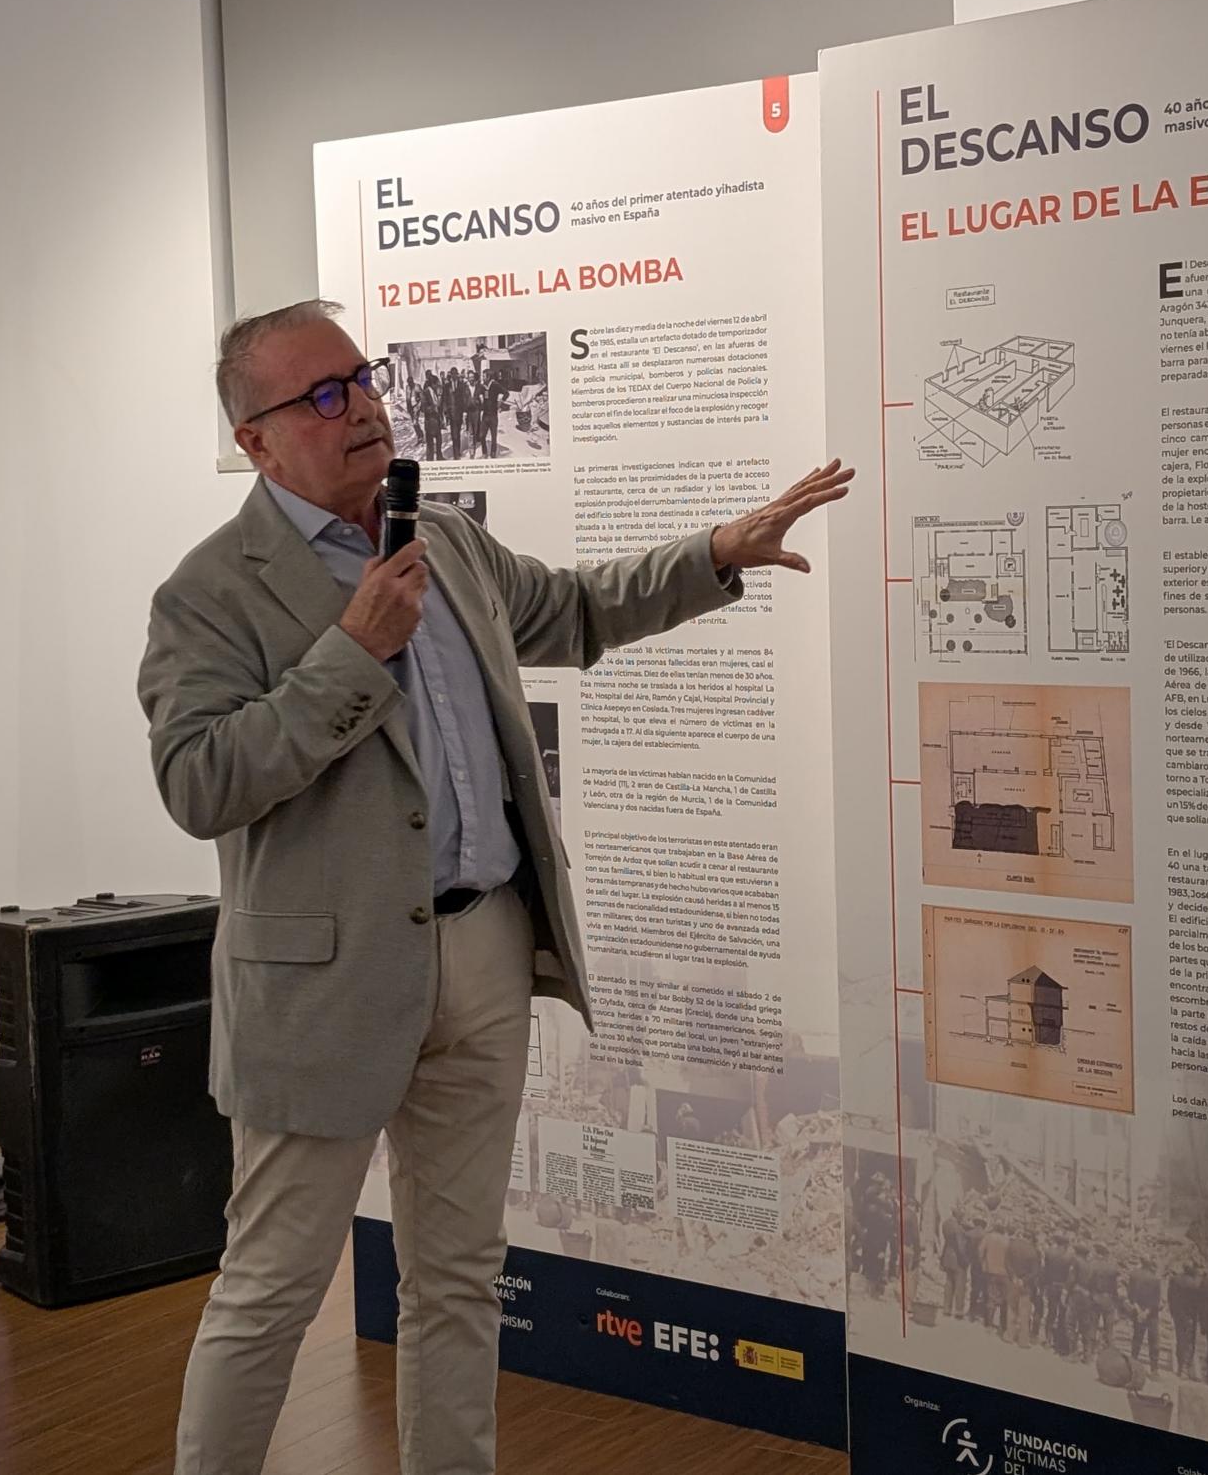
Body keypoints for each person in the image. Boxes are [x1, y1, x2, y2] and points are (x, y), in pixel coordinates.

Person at [137, 299, 850, 1475]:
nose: (362, 406)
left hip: (482, 952)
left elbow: (570, 610)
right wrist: (351, 650)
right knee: (271, 1289)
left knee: (460, 1276)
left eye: (363, 377)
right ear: (255, 441)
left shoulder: (445, 541)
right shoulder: (209, 591)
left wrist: (717, 552)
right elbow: (200, 782)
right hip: (324, 989)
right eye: (322, 395)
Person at [1127, 1261, 1163, 1376]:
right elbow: (1156, 1300)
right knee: (1154, 1341)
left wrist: (1139, 1310)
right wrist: (1146, 1312)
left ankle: (1132, 1365)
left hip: (1138, 1312)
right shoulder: (1155, 1279)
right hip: (1152, 1314)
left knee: (1137, 1339)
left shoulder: (1134, 1275)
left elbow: (1130, 1295)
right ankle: (1154, 1369)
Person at [1169, 1257, 1203, 1378]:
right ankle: (1185, 1368)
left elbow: (1170, 1297)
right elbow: (1199, 1303)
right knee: (1189, 1342)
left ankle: (1180, 1367)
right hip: (1190, 1316)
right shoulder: (1196, 1283)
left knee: (1180, 1340)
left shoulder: (1175, 1280)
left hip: (1178, 1315)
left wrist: (1173, 1312)